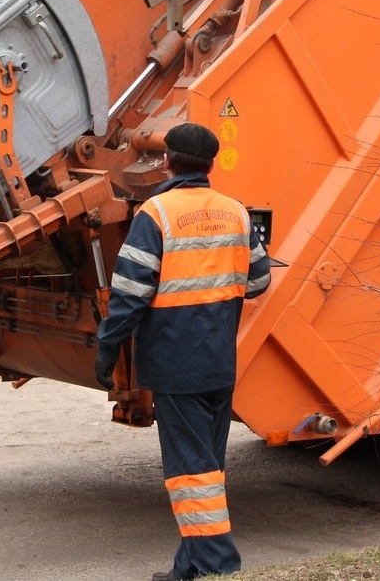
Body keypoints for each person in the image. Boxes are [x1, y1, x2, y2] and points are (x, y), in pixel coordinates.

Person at [93, 122, 272, 580]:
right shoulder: (236, 212)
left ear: (167, 161)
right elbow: (258, 283)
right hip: (218, 363)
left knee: (191, 471)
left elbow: (129, 294)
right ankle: (188, 568)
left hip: (176, 366)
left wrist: (107, 351)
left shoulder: (155, 214)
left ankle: (218, 566)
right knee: (208, 467)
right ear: (211, 164)